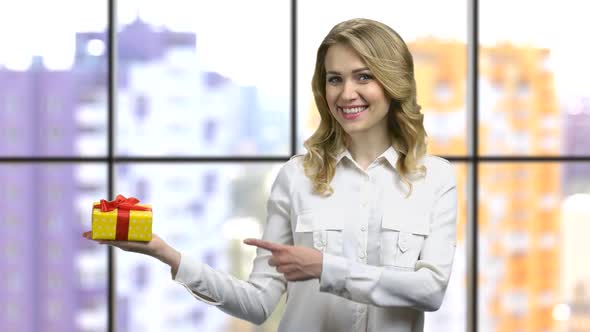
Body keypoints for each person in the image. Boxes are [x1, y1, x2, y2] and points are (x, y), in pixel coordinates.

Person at [83, 18, 457, 332]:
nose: (346, 94)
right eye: (334, 79)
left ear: (393, 82)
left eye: (363, 77)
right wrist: (166, 254)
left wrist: (325, 268)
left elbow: (430, 290)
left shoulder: (435, 179)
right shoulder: (297, 177)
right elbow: (259, 304)